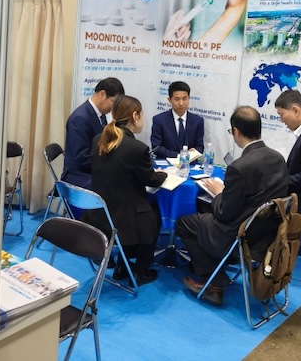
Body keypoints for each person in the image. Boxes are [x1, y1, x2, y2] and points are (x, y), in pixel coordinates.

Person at [176, 106, 289, 306]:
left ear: (236, 131)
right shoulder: (278, 158)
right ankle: (219, 263)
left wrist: (219, 193)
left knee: (184, 223)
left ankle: (215, 282)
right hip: (267, 232)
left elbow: (223, 213)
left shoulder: (239, 167)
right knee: (204, 213)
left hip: (238, 234)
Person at [85, 95, 167, 286]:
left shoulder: (99, 139)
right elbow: (151, 180)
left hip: (97, 213)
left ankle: (123, 265)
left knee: (139, 210)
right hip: (122, 219)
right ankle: (140, 271)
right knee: (153, 214)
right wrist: (163, 174)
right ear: (135, 116)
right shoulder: (137, 148)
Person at [62, 77, 125, 188]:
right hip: (79, 176)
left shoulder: (100, 115)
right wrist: (110, 165)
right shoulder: (80, 118)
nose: (113, 108)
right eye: (113, 102)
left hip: (92, 169)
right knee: (119, 185)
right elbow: (81, 159)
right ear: (102, 94)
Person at [150, 81, 204, 159]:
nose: (181, 103)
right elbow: (156, 147)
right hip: (167, 162)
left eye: (184, 99)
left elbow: (200, 146)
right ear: (169, 100)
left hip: (189, 162)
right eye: (177, 99)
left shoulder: (197, 121)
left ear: (189, 98)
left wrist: (193, 153)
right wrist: (179, 156)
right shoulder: (159, 120)